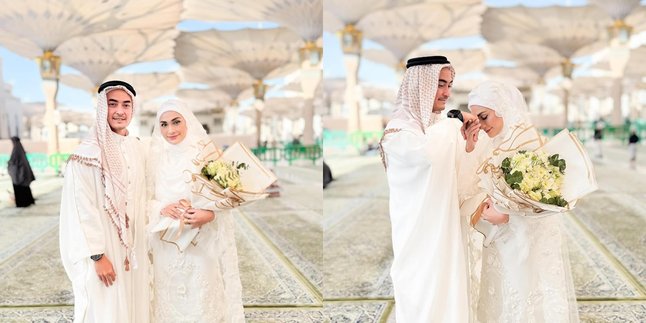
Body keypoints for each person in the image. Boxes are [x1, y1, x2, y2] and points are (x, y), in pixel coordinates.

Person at [465, 81, 579, 322]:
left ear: (501, 108)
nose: (483, 126)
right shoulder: (495, 141)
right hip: (500, 238)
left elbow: (542, 201)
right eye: (477, 120)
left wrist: (507, 216)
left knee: (523, 291)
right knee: (500, 294)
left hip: (524, 239)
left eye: (484, 117)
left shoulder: (527, 141)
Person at [379, 56, 482, 322]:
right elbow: (427, 156)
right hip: (419, 237)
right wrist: (455, 120)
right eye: (439, 84)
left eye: (449, 84)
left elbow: (457, 175)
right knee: (422, 296)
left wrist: (468, 145)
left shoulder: (437, 129)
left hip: (445, 230)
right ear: (419, 86)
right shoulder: (398, 132)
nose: (447, 92)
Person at [59, 80, 150, 323]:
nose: (120, 111)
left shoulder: (138, 148)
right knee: (105, 309)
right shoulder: (86, 155)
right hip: (103, 249)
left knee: (134, 306)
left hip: (134, 248)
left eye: (126, 104)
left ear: (133, 109)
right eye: (112, 104)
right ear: (101, 108)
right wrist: (97, 256)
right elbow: (82, 209)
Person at [147, 99, 244, 322]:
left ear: (187, 121)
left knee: (200, 299)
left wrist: (208, 214)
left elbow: (226, 198)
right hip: (166, 243)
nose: (170, 130)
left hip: (200, 243)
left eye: (175, 122)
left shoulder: (206, 155)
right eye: (163, 124)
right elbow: (144, 199)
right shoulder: (154, 159)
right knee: (169, 299)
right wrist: (161, 207)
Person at [7, 136, 36, 207]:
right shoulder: (20, 149)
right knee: (25, 188)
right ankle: (27, 202)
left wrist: (9, 164)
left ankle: (23, 203)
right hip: (23, 173)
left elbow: (13, 162)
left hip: (19, 174)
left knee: (21, 188)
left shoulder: (16, 150)